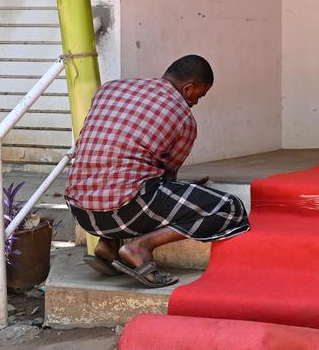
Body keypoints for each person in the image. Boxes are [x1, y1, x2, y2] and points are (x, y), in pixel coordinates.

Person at [64, 55, 249, 288]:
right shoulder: (183, 117)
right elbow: (166, 175)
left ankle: (107, 245)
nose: (196, 102)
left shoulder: (110, 89)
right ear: (188, 87)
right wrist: (186, 191)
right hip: (125, 210)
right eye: (199, 95)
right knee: (230, 208)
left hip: (80, 210)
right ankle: (141, 247)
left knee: (119, 175)